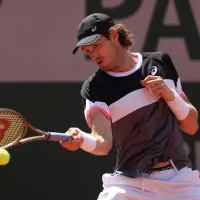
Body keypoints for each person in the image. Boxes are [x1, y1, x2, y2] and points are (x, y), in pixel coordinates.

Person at [61, 13, 200, 199]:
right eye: (87, 50)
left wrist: (170, 95)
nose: (93, 54)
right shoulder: (94, 88)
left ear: (115, 35)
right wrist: (81, 139)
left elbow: (192, 125)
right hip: (130, 186)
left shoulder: (160, 63)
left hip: (180, 182)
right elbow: (102, 143)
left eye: (96, 45)